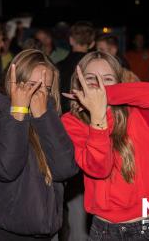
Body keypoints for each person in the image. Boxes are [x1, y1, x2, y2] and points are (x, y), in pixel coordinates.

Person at [61, 51, 149, 240]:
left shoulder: (141, 111)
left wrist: (104, 95)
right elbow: (99, 169)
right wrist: (98, 118)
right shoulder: (72, 122)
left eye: (107, 79)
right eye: (90, 78)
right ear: (78, 83)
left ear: (119, 82)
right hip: (105, 230)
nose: (99, 85)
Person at [0, 49, 78, 241]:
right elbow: (6, 168)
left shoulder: (49, 118)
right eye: (32, 85)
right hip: (3, 233)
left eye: (46, 88)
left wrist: (44, 119)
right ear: (14, 83)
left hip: (46, 233)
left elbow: (65, 169)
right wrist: (18, 112)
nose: (39, 94)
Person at [56, 20, 95, 241]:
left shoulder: (59, 66)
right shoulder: (96, 67)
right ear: (91, 43)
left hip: (66, 129)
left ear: (71, 40)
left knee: (71, 184)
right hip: (94, 128)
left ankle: (77, 234)